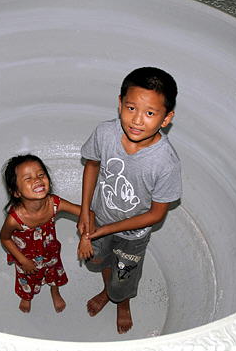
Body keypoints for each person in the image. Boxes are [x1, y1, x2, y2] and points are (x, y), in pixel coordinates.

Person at [78, 67, 182, 334]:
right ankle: (107, 291)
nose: (137, 120)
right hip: (100, 218)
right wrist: (86, 212)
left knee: (124, 274)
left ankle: (121, 301)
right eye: (131, 108)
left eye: (150, 113)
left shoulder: (165, 162)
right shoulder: (105, 133)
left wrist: (106, 229)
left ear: (166, 118)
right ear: (120, 103)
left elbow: (156, 214)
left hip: (133, 235)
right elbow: (91, 166)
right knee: (100, 261)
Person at [0, 154, 93, 313]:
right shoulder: (14, 219)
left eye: (41, 175)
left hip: (49, 250)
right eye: (28, 178)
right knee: (27, 277)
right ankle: (26, 296)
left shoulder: (54, 204)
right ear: (16, 192)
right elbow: (5, 238)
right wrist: (22, 260)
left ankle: (54, 291)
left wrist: (85, 238)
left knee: (54, 272)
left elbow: (88, 214)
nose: (36, 180)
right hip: (26, 255)